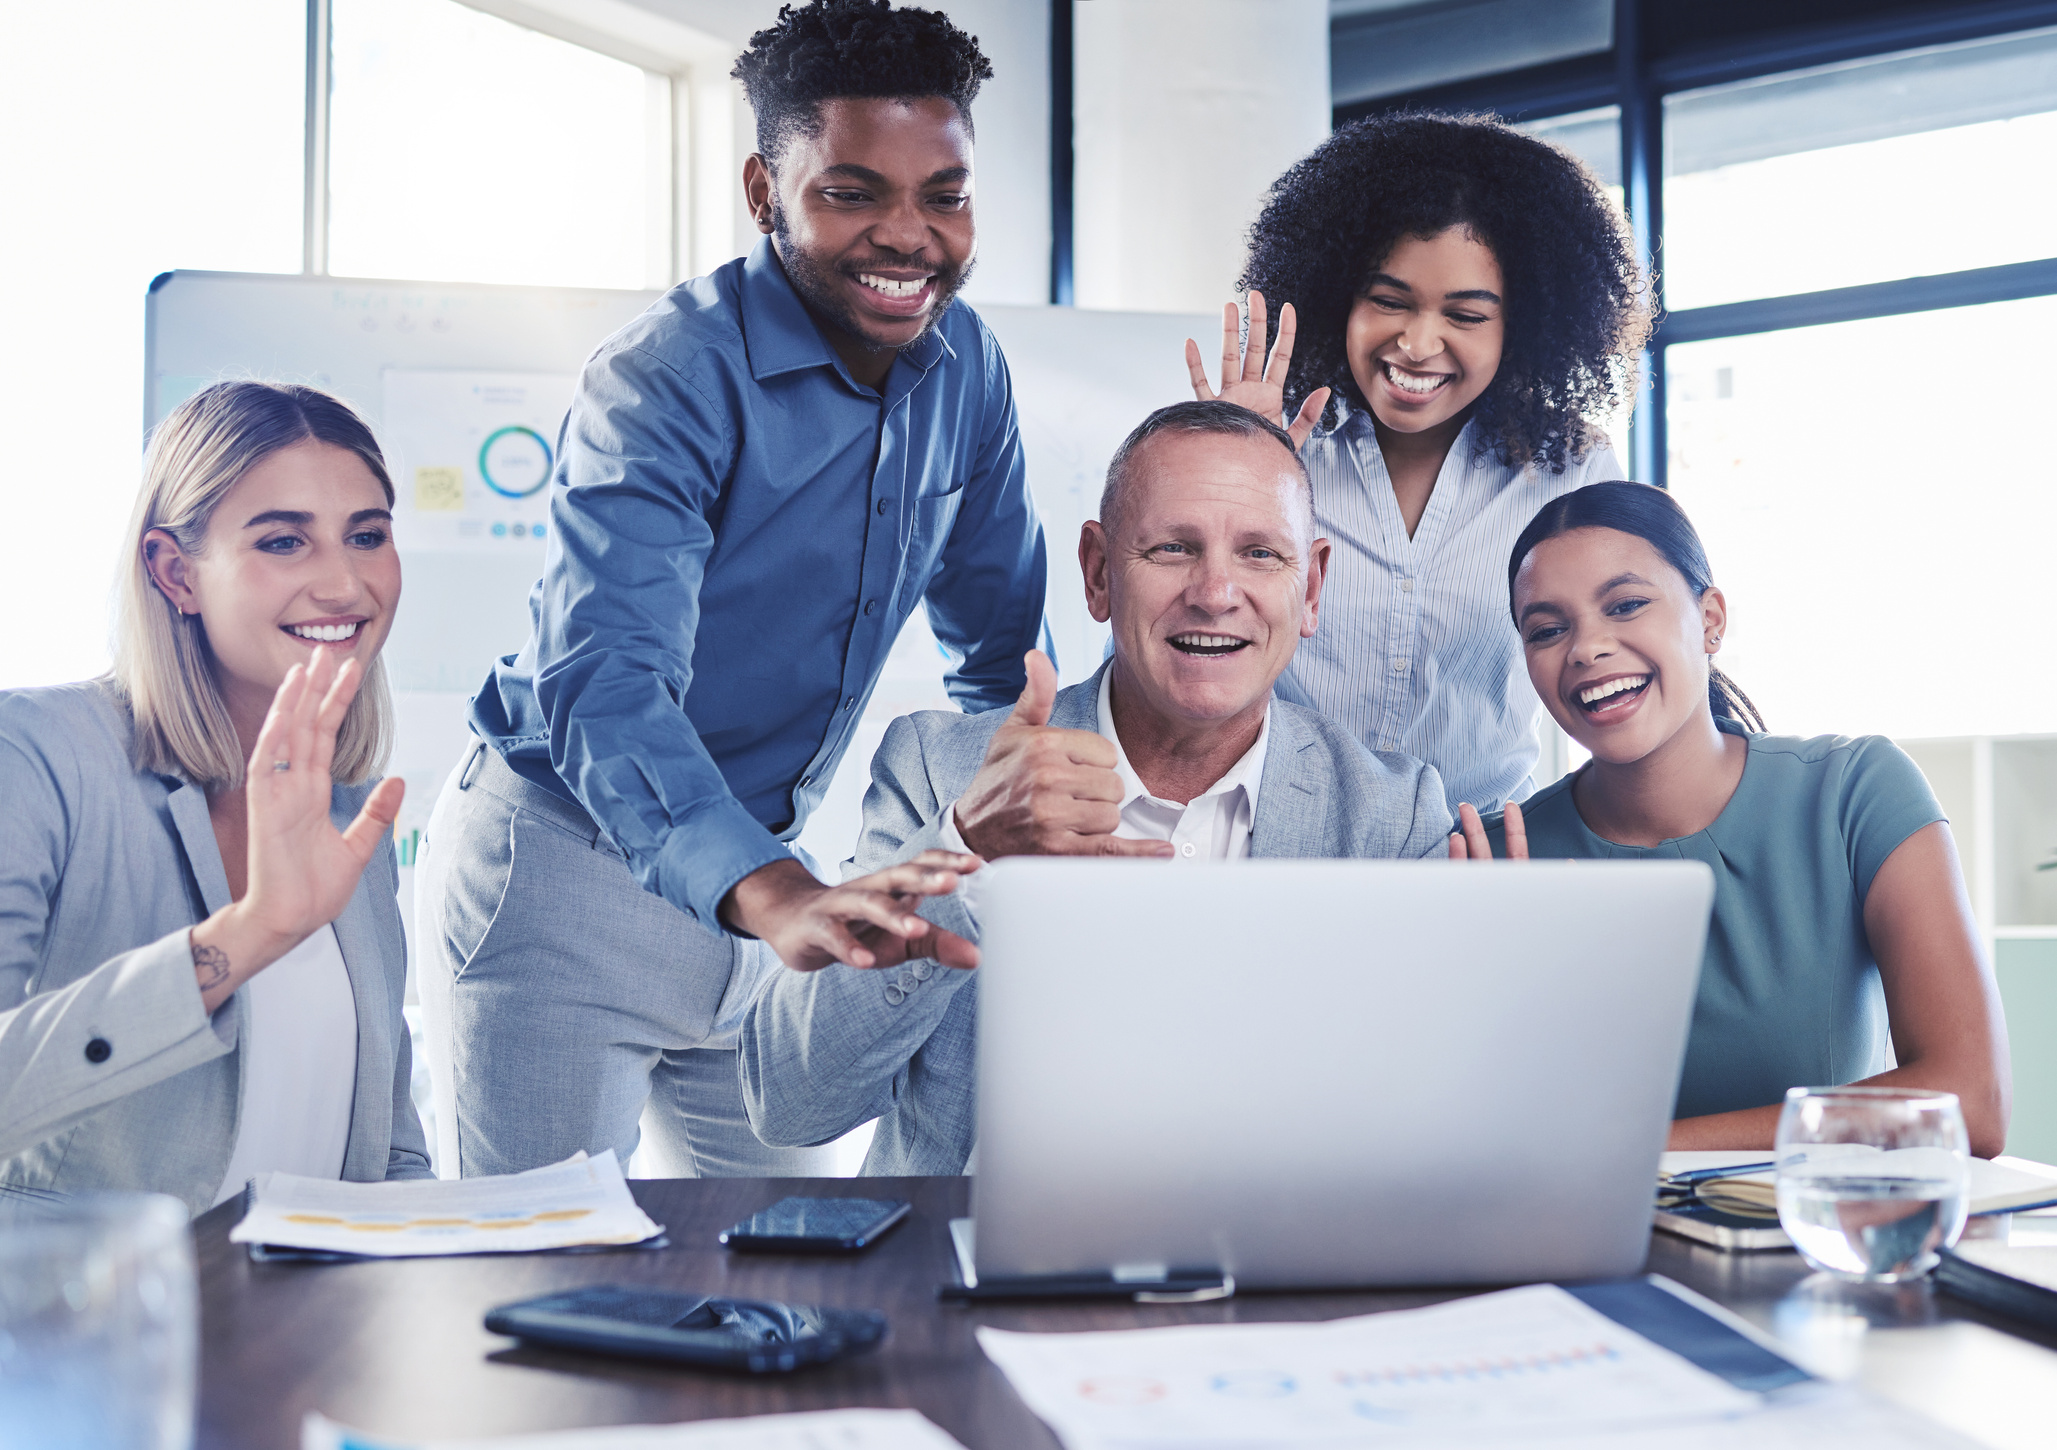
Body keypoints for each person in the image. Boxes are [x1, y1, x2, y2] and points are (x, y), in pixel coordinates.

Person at [416, 0, 1045, 1179]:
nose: (908, 236)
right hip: (568, 870)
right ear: (765, 192)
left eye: (943, 194)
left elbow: (1003, 656)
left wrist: (1055, 813)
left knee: (776, 1270)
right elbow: (604, 681)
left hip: (766, 882)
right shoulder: (662, 378)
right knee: (544, 1273)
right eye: (852, 192)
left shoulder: (968, 369)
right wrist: (774, 892)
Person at [736, 400, 1456, 1174]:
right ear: (1097, 572)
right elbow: (790, 1104)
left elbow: (1416, 1134)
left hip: (1261, 1275)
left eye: (1259, 555)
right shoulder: (939, 768)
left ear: (1310, 589)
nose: (1215, 593)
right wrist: (966, 852)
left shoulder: (1393, 815)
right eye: (1173, 548)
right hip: (974, 1276)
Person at [1450, 481, 2010, 1156]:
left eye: (1625, 605)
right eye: (1547, 629)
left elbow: (1969, 1102)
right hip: (1579, 1251)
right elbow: (1482, 1148)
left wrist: (1645, 1151)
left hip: (1819, 1239)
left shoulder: (1853, 791)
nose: (1586, 648)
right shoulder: (1496, 863)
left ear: (1710, 619)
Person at [0, 381, 429, 1217]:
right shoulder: (39, 755)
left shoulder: (349, 816)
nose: (344, 585)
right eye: (282, 542)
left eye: (367, 535)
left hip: (310, 1334)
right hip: (84, 1333)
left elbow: (388, 1151)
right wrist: (250, 933)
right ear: (174, 572)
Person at [1185, 112, 1650, 815]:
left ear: (1519, 328)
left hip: (1478, 854)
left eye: (1464, 316)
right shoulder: (1268, 442)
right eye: (1387, 301)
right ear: (1340, 295)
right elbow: (1159, 662)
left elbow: (1618, 669)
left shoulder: (1570, 474)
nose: (1417, 342)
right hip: (1272, 848)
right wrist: (1229, 467)